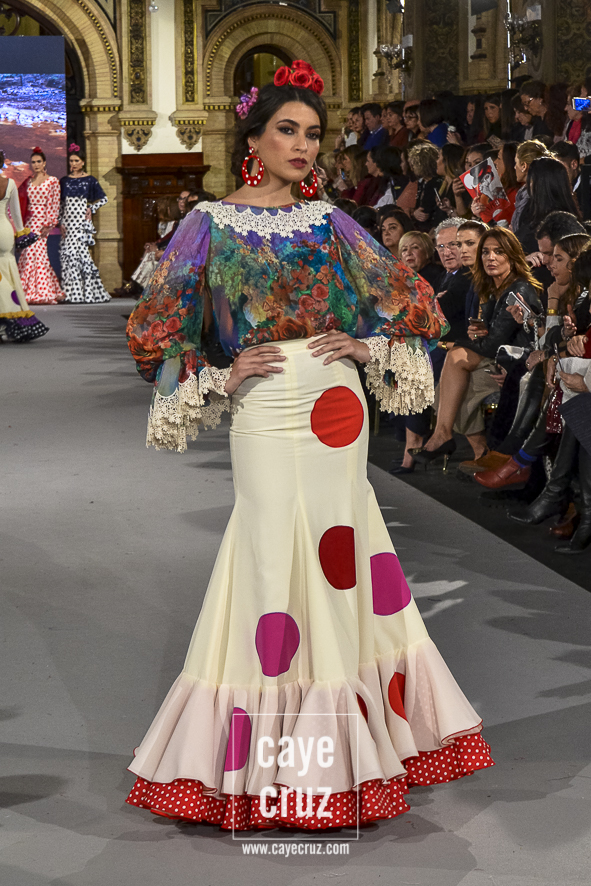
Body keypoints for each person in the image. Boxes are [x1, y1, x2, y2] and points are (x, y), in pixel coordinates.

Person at [124, 60, 493, 832]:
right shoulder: (208, 223)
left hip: (334, 402)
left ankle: (340, 750)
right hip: (263, 404)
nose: (301, 144)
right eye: (286, 130)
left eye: (313, 133)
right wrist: (221, 374)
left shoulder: (330, 220)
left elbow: (412, 299)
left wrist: (366, 346)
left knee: (340, 551)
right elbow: (156, 325)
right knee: (265, 551)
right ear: (253, 140)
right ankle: (276, 752)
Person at [413, 228, 542, 468]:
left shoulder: (518, 289)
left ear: (512, 256)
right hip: (498, 360)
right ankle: (475, 450)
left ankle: (453, 440)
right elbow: (491, 336)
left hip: (518, 366)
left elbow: (493, 346)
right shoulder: (493, 286)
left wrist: (453, 343)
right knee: (453, 383)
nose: (491, 257)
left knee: (455, 365)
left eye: (499, 252)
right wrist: (478, 332)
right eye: (486, 252)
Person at [0, 150, 49, 343]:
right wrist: (21, 233)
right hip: (5, 232)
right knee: (8, 274)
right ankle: (9, 316)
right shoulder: (10, 183)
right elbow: (16, 214)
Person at [58, 146, 110, 304]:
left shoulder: (90, 180)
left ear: (83, 162)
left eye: (76, 160)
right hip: (68, 223)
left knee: (82, 256)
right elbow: (59, 205)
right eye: (71, 161)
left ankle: (87, 293)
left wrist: (91, 208)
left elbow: (104, 199)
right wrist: (60, 222)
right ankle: (72, 294)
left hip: (81, 222)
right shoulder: (64, 181)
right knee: (69, 256)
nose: (73, 163)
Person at [17, 148, 64, 304]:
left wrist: (49, 224)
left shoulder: (52, 181)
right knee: (28, 255)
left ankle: (41, 292)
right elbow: (22, 202)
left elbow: (54, 203)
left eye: (39, 162)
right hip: (28, 223)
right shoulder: (28, 181)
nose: (36, 165)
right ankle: (29, 291)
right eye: (33, 162)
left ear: (44, 163)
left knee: (37, 254)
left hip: (42, 222)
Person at [513, 156, 581, 257]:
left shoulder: (553, 225)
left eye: (531, 181)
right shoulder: (530, 210)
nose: (527, 185)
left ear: (540, 184)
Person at [408, 142, 445, 232]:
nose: (412, 169)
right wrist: (414, 213)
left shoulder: (435, 183)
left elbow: (426, 211)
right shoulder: (423, 182)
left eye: (414, 165)